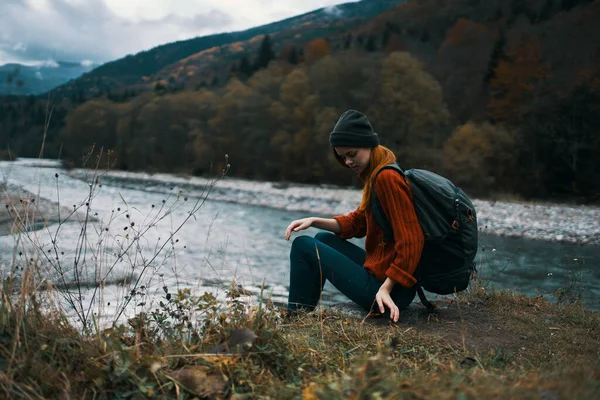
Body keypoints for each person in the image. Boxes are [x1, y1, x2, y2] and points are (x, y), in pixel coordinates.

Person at [284, 109, 424, 322]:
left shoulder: (386, 178)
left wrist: (386, 288)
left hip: (388, 291)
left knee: (303, 245)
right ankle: (303, 314)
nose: (348, 162)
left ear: (368, 144)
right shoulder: (377, 174)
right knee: (322, 239)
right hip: (386, 280)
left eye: (352, 154)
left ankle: (294, 318)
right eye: (343, 157)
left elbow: (412, 240)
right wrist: (314, 221)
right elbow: (359, 223)